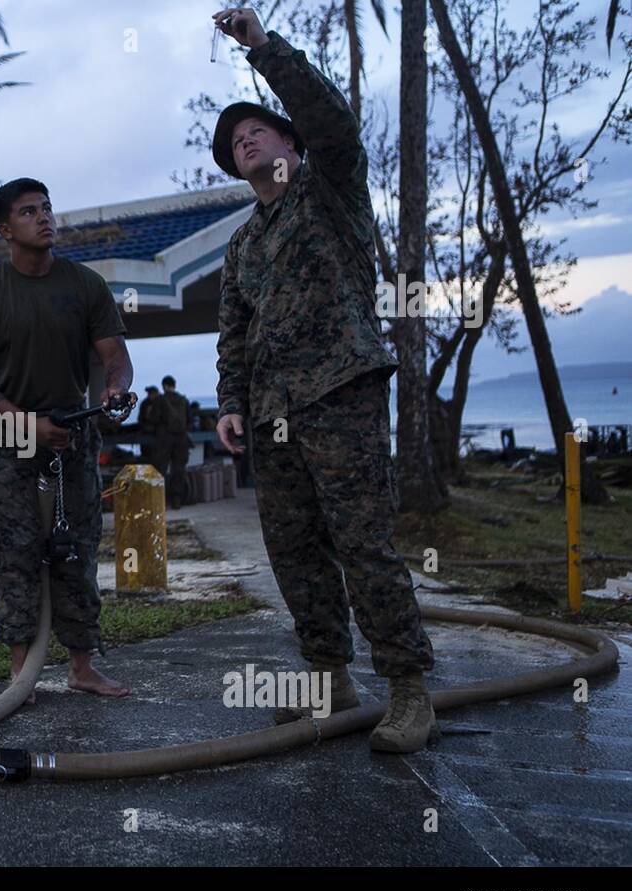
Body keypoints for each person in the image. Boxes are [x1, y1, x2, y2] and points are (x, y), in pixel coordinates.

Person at [211, 7, 436, 752]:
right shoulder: (243, 244)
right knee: (295, 551)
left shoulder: (330, 188)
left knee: (364, 545)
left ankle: (408, 691)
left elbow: (333, 121)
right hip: (273, 415)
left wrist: (263, 49)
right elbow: (234, 333)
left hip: (341, 393)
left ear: (290, 146)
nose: (245, 141)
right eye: (235, 142)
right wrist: (231, 405)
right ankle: (330, 681)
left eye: (258, 131)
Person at [0, 177, 137, 704]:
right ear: (6, 229)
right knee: (14, 556)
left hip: (71, 442)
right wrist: (27, 423)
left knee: (76, 553)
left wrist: (117, 389)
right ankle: (21, 675)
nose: (45, 217)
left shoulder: (85, 285)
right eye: (30, 211)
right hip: (9, 448)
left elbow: (114, 356)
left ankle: (82, 666)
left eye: (48, 208)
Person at [150, 375, 192, 508]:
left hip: (165, 439)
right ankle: (176, 500)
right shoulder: (183, 400)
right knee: (179, 469)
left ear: (164, 386)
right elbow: (190, 420)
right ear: (174, 385)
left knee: (160, 469)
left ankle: (158, 499)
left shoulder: (160, 400)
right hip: (181, 438)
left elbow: (154, 418)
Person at [137, 385, 161, 465]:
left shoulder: (162, 402)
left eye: (151, 393)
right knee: (146, 456)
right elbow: (141, 419)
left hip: (158, 433)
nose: (149, 395)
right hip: (146, 432)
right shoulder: (145, 403)